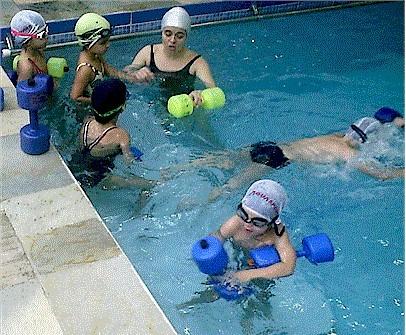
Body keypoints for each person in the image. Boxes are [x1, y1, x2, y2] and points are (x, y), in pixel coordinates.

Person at [166, 107, 404, 200]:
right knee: (230, 186)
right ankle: (192, 203)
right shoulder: (349, 154)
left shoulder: (334, 137)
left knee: (223, 159)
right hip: (277, 159)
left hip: (271, 145)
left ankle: (175, 170)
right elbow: (381, 175)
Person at [69, 78, 155, 189]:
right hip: (99, 178)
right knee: (151, 185)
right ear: (123, 107)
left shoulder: (87, 122)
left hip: (76, 167)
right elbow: (129, 162)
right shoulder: (121, 136)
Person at [124, 6, 216, 104]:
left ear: (186, 37)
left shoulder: (197, 62)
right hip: (152, 103)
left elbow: (214, 90)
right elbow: (125, 73)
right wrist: (136, 73)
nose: (172, 40)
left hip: (184, 107)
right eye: (168, 34)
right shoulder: (148, 52)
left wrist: (200, 93)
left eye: (179, 36)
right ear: (161, 33)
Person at [211, 179, 296, 283]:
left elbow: (288, 267)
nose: (247, 224)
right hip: (237, 253)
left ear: (271, 223)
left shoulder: (278, 233)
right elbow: (217, 237)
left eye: (257, 222)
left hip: (263, 264)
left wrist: (248, 275)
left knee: (261, 291)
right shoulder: (235, 224)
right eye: (243, 214)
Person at [70, 12, 152, 105]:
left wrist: (132, 79)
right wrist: (102, 102)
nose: (108, 45)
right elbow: (75, 97)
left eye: (108, 40)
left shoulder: (96, 55)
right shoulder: (85, 69)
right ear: (88, 44)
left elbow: (110, 71)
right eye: (103, 43)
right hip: (87, 113)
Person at [10, 10, 49, 82]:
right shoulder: (26, 67)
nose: (47, 36)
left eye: (46, 30)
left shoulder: (38, 50)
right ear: (27, 42)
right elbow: (23, 90)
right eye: (43, 35)